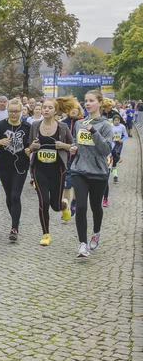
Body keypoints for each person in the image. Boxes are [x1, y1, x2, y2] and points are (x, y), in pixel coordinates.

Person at [25, 98, 75, 246]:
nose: (46, 110)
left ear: (55, 110)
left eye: (49, 108)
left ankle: (64, 205)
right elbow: (29, 146)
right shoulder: (35, 125)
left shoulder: (62, 127)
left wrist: (63, 145)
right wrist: (32, 146)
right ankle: (46, 234)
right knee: (43, 201)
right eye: (44, 107)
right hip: (39, 169)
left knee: (55, 205)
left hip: (57, 170)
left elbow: (72, 146)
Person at [69, 90, 114, 258]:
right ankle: (82, 244)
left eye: (91, 101)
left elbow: (106, 150)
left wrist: (94, 131)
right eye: (86, 101)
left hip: (98, 172)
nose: (87, 104)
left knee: (96, 207)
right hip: (79, 169)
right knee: (80, 206)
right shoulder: (80, 123)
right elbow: (76, 142)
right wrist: (73, 148)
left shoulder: (105, 125)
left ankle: (96, 233)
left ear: (100, 103)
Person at [0, 98, 30, 242]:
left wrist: (30, 150)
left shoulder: (27, 127)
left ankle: (14, 227)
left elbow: (32, 143)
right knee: (8, 196)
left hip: (21, 166)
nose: (13, 114)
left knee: (15, 195)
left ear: (21, 111)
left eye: (16, 111)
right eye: (11, 111)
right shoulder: (0, 126)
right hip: (4, 166)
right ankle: (15, 220)